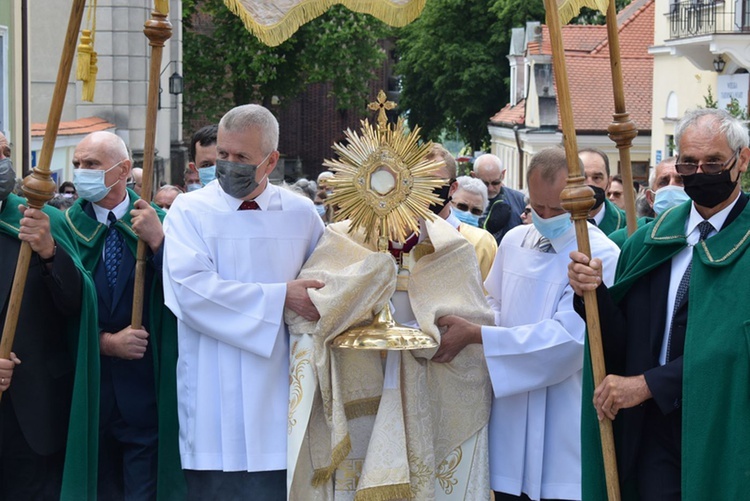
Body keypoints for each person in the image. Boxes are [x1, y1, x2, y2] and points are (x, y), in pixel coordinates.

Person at [287, 146, 493, 500]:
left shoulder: (452, 249)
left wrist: (429, 333)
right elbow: (304, 313)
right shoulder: (341, 237)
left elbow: (473, 326)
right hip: (357, 396)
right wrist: (371, 276)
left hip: (428, 397)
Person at [569, 108, 750, 500]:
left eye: (713, 163)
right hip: (654, 435)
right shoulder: (650, 241)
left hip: (727, 427)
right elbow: (625, 342)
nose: (699, 173)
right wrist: (593, 292)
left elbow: (734, 351)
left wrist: (649, 384)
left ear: (743, 160)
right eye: (688, 163)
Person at [436, 147, 620, 501]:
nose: (547, 216)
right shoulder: (515, 240)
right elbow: (491, 306)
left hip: (562, 421)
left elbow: (569, 341)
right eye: (539, 207)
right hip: (510, 413)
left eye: (557, 209)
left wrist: (478, 336)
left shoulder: (599, 253)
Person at [162, 104, 324, 499]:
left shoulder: (302, 214)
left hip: (282, 397)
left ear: (271, 161)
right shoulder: (190, 211)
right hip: (214, 402)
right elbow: (190, 291)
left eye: (241, 158)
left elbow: (327, 282)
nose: (228, 165)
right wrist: (281, 296)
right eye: (223, 155)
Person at [64, 130, 183, 500]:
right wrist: (105, 342)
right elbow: (54, 312)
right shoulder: (64, 227)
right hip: (85, 393)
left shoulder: (160, 222)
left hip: (144, 394)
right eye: (78, 165)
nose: (82, 172)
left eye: (92, 165)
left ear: (124, 170)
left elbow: (187, 292)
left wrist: (159, 243)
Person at [0, 133, 86, 499]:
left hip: (34, 412)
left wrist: (49, 251)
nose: (3, 162)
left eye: (4, 152)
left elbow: (76, 304)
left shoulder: (42, 218)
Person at [428, 144, 497, 281]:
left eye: (433, 182)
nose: (424, 189)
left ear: (452, 188)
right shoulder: (396, 237)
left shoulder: (481, 244)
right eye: (418, 180)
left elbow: (489, 299)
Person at [609, 157, 686, 247]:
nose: (671, 187)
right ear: (650, 198)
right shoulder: (621, 240)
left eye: (681, 181)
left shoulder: (701, 237)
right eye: (663, 182)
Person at [472, 153, 526, 244]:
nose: (490, 189)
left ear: (503, 175)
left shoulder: (520, 200)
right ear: (474, 176)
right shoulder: (463, 202)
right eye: (484, 183)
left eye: (495, 183)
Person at [579, 148, 626, 235]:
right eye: (582, 177)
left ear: (609, 182)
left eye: (596, 178)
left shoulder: (629, 226)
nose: (589, 184)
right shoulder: (554, 223)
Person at [186, 124, 218, 190]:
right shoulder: (186, 200)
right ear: (194, 169)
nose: (216, 171)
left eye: (222, 162)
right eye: (206, 165)